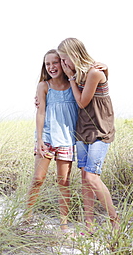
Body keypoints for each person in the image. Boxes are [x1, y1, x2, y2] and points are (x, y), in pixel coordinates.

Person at [57, 37, 119, 233]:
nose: (63, 64)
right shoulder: (78, 74)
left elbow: (82, 102)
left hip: (100, 131)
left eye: (65, 59)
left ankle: (115, 220)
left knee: (92, 177)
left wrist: (71, 78)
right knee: (85, 177)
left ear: (74, 55)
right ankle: (89, 225)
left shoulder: (93, 73)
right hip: (82, 131)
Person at [25, 49, 78, 232]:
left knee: (63, 181)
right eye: (48, 64)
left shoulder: (74, 84)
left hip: (67, 139)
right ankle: (27, 216)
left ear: (63, 63)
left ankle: (63, 222)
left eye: (55, 62)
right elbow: (40, 112)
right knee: (38, 178)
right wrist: (39, 139)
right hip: (47, 137)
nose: (51, 67)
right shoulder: (43, 86)